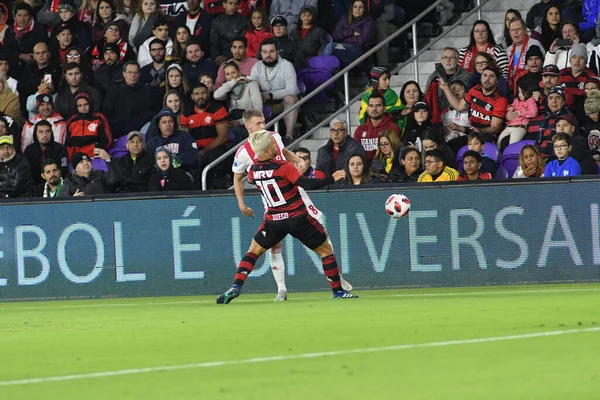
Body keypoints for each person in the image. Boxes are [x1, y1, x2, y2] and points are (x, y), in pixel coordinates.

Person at [216, 129, 357, 304]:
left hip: (273, 221)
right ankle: (338, 291)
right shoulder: (284, 167)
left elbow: (250, 179)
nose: (277, 145)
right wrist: (332, 178)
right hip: (298, 218)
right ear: (267, 150)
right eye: (273, 144)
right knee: (326, 251)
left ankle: (236, 286)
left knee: (253, 252)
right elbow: (307, 184)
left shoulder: (253, 172)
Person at [439, 66, 508, 143]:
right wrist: (445, 87)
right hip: (471, 133)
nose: (487, 79)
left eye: (491, 76)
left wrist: (479, 130)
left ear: (497, 81)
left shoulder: (500, 100)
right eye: (485, 75)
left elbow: (495, 128)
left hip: (487, 135)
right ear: (481, 78)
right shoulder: (474, 90)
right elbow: (458, 106)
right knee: (450, 145)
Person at [250, 39, 299, 142]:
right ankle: (257, 139)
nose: (268, 55)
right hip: (264, 103)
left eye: (271, 51)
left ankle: (288, 136)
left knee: (290, 98)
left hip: (283, 103)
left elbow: (292, 90)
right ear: (261, 54)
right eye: (265, 52)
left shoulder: (287, 65)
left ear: (278, 52)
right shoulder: (256, 67)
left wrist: (271, 95)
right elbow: (252, 88)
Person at [103, 61, 154, 137]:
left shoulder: (145, 92)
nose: (133, 75)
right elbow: (107, 114)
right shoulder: (114, 92)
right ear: (124, 74)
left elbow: (146, 115)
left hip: (138, 133)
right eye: (129, 72)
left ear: (139, 74)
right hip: (117, 132)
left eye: (135, 72)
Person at [144, 107, 199, 173]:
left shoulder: (184, 136)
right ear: (158, 125)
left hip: (181, 174)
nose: (168, 125)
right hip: (159, 176)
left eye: (171, 121)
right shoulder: (152, 143)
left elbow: (193, 154)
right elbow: (146, 161)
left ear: (175, 123)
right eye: (164, 122)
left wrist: (176, 161)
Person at [353, 92, 400, 165]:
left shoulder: (392, 128)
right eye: (371, 106)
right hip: (364, 170)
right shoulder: (360, 130)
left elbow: (394, 154)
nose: (374, 109)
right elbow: (355, 154)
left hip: (385, 170)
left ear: (384, 108)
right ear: (367, 108)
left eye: (378, 106)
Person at [213, 61, 262, 129]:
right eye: (227, 74)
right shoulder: (227, 87)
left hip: (250, 122)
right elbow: (216, 96)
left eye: (233, 72)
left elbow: (258, 110)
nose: (231, 76)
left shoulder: (251, 84)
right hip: (233, 121)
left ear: (239, 72)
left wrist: (240, 122)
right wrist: (235, 82)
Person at [324, 0, 373, 68]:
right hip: (341, 46)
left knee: (331, 47)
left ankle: (323, 73)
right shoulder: (344, 19)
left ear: (364, 10)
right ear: (351, 8)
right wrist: (351, 33)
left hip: (356, 49)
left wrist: (344, 37)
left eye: (360, 7)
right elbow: (335, 36)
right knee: (329, 51)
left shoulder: (367, 21)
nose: (357, 9)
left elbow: (363, 40)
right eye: (355, 7)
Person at [65, 92, 113, 159]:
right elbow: (67, 143)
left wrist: (94, 149)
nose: (83, 108)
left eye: (86, 104)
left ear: (90, 104)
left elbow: (108, 141)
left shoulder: (99, 118)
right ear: (76, 107)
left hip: (95, 156)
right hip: (76, 159)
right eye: (80, 105)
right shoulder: (71, 121)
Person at [425, 47, 470, 117]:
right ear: (441, 60)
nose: (448, 60)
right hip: (438, 116)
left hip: (460, 116)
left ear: (458, 60)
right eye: (445, 57)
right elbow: (427, 96)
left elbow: (469, 100)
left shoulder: (466, 76)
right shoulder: (434, 76)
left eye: (451, 57)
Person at [24, 120, 69, 187]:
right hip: (35, 186)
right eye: (41, 132)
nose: (45, 135)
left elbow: (64, 170)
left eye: (47, 131)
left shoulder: (60, 148)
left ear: (51, 133)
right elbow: (27, 173)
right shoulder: (29, 150)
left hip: (57, 185)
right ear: (35, 134)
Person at [497, 79, 539, 149]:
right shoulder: (516, 100)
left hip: (520, 127)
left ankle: (511, 159)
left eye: (521, 92)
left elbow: (533, 112)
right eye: (519, 92)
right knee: (499, 141)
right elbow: (512, 105)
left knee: (512, 145)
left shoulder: (530, 101)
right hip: (510, 125)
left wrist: (520, 113)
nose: (519, 94)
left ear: (527, 91)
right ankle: (500, 158)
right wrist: (510, 108)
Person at [506, 17, 545, 91]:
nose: (515, 32)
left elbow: (544, 64)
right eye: (513, 30)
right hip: (513, 87)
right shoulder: (509, 50)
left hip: (533, 86)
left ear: (525, 30)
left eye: (518, 29)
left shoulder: (535, 44)